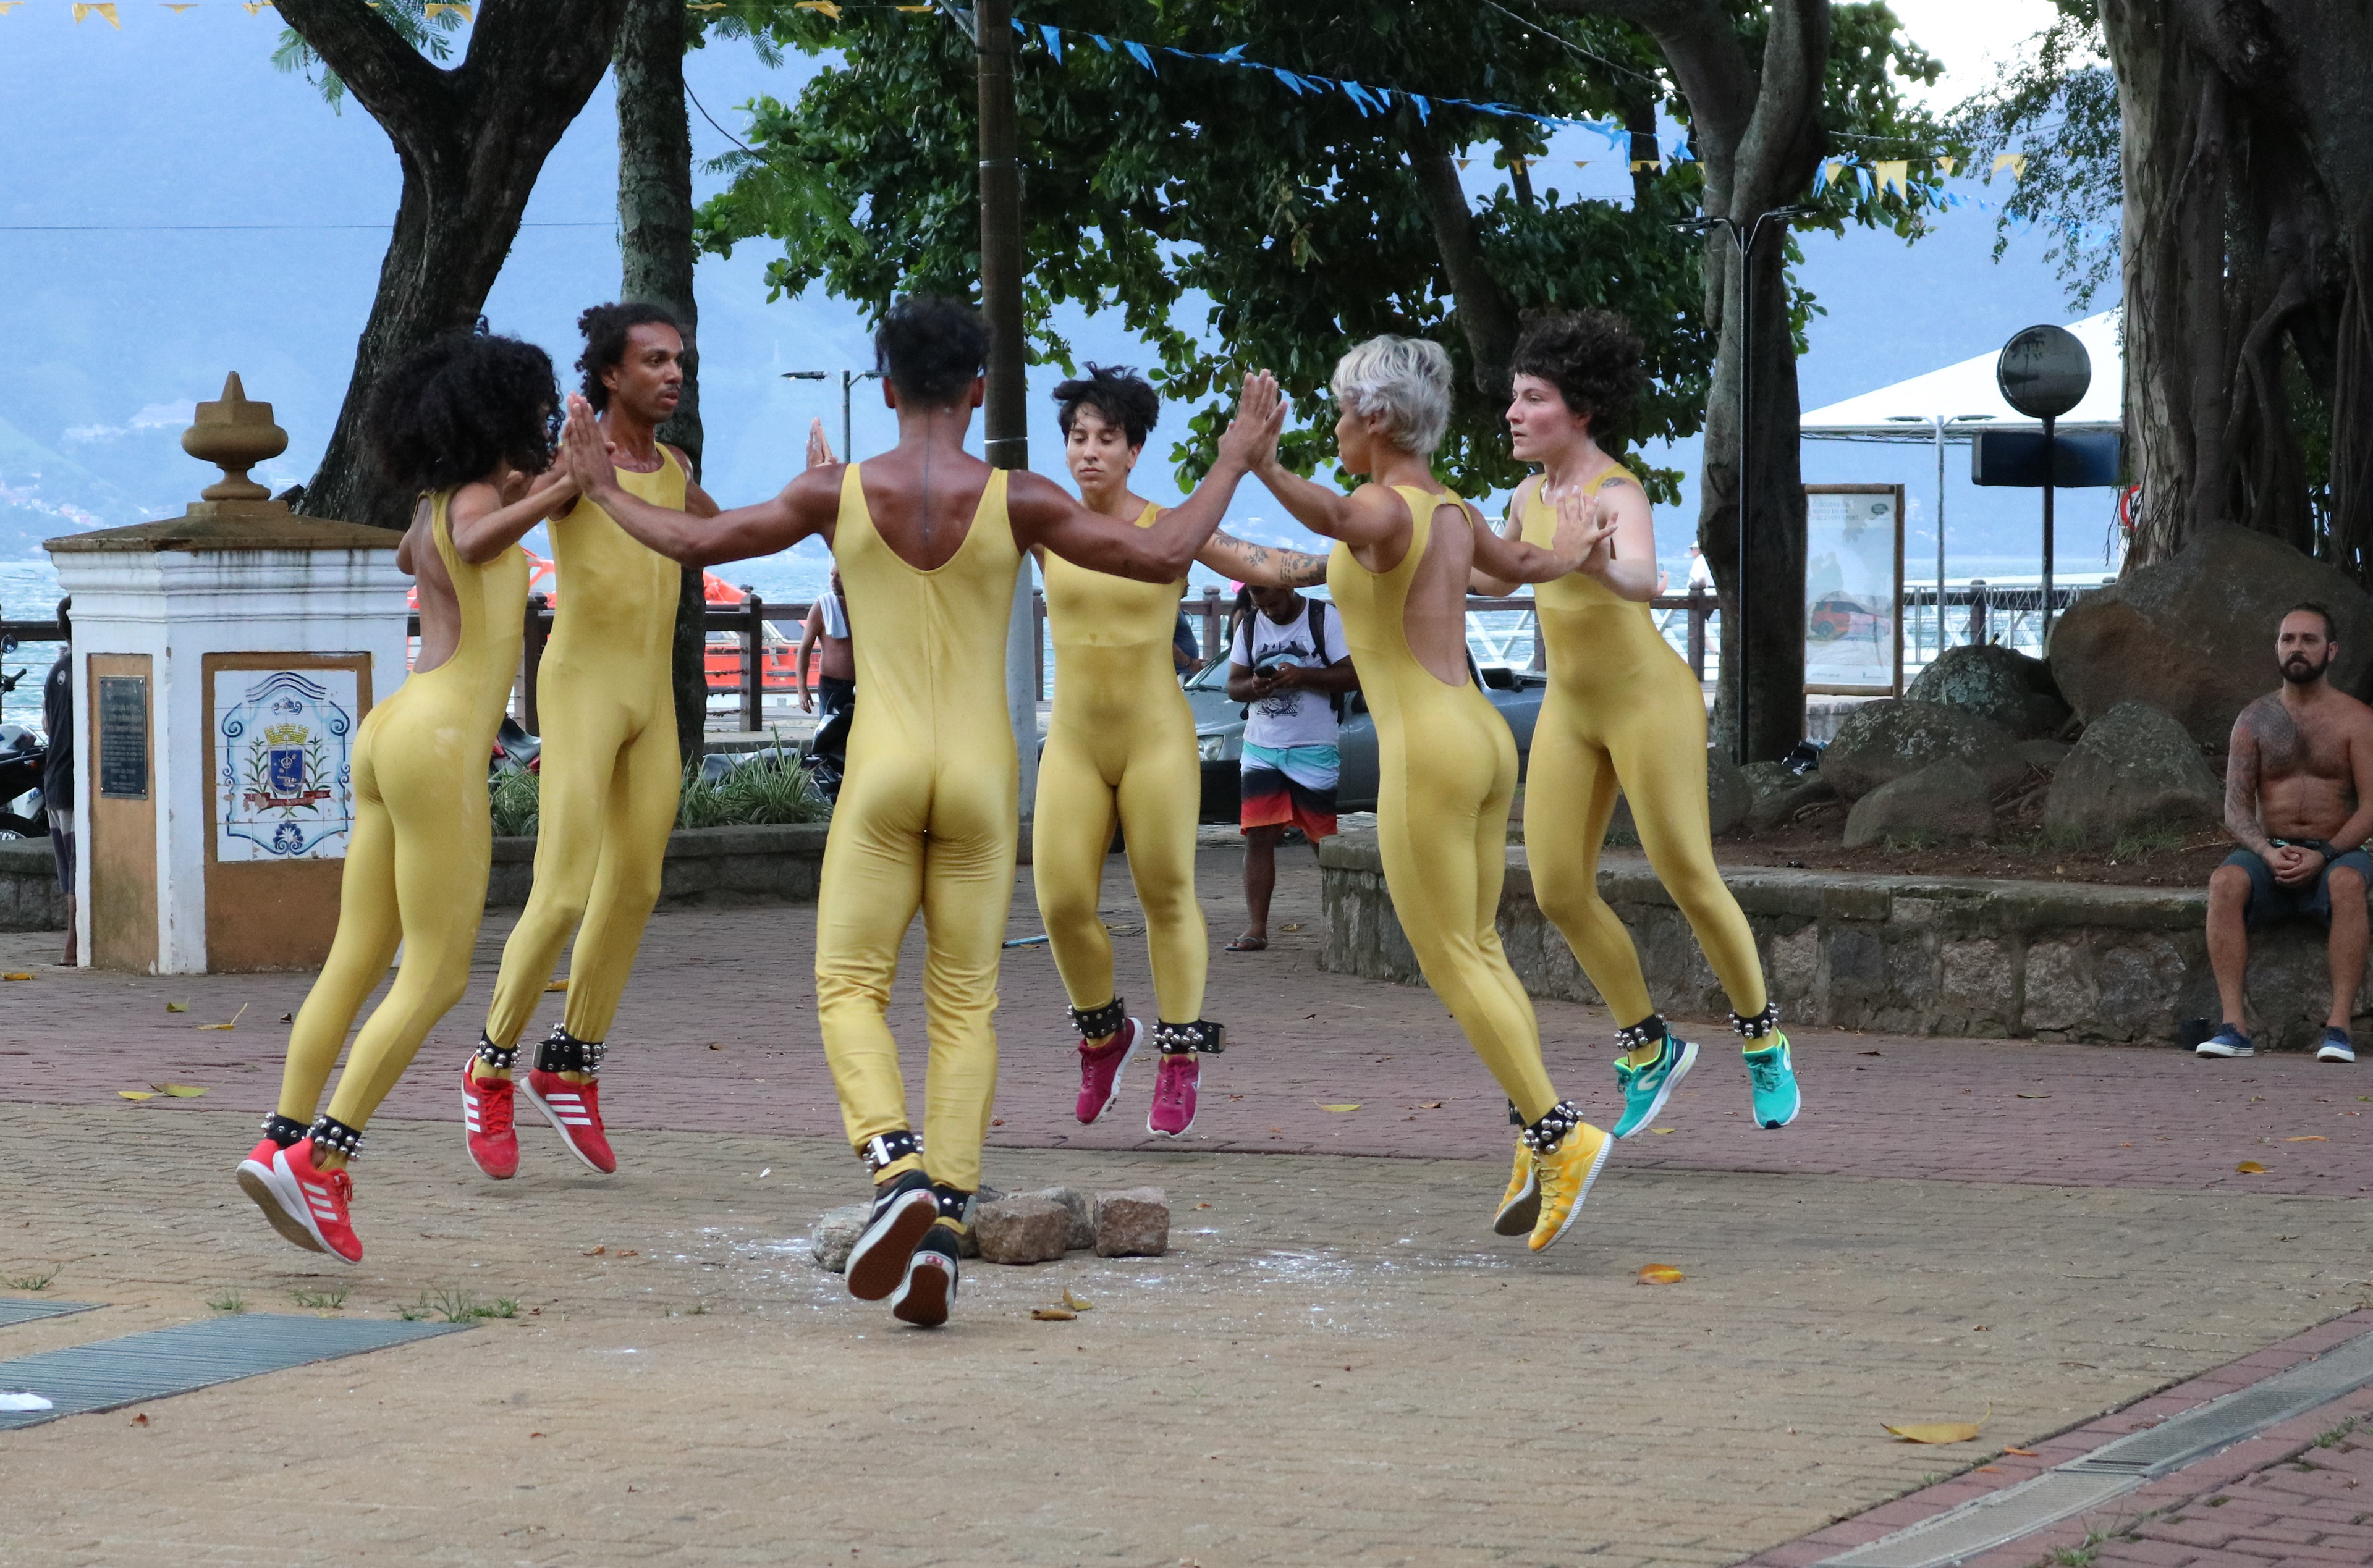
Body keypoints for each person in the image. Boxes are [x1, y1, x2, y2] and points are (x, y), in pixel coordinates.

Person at [554, 296, 1279, 1326]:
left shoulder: (837, 489)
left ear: (887, 390)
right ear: (979, 393)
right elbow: (1165, 558)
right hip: (986, 779)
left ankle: (895, 1169)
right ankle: (941, 1228)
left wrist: (598, 490)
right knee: (964, 1001)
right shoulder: (1021, 495)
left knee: (850, 982)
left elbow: (695, 540)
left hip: (884, 771)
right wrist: (1236, 457)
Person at [1247, 334, 1611, 1253]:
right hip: (1485, 738)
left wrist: (1261, 464)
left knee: (1451, 955)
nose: (1333, 427)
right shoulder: (1447, 506)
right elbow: (1519, 570)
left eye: (1338, 412)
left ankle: (1561, 1133)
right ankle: (1539, 1136)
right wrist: (1568, 546)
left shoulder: (1376, 504)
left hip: (1430, 751)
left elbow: (1332, 514)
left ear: (1374, 419)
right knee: (1481, 945)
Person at [237, 328, 572, 1263]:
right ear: (500, 417)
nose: (547, 427)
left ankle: (277, 1140)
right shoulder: (468, 505)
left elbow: (423, 555)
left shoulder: (431, 502)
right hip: (438, 741)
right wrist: (561, 485)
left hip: (391, 729)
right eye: (537, 414)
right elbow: (479, 534)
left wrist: (525, 486)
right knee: (435, 973)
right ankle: (323, 1160)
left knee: (358, 954)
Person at [1471, 310, 1801, 1138]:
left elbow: (1647, 578)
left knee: (1687, 869)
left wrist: (1592, 558)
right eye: (1513, 397)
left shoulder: (1615, 490)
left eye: (1532, 398)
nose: (1512, 412)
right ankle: (1648, 1047)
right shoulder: (1524, 494)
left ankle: (1763, 1039)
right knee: (1555, 886)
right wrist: (1434, 538)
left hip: (1648, 701)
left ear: (1578, 411)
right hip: (1572, 710)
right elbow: (1506, 582)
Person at [1034, 364, 1332, 1139]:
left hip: (1154, 740)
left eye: (1106, 439)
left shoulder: (1173, 524)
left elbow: (1270, 566)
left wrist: (1365, 557)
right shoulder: (1044, 524)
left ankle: (1178, 1056)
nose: (1089, 452)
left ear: (1134, 450)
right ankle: (1103, 1036)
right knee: (1061, 900)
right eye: (1077, 438)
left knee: (1165, 890)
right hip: (1072, 741)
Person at [460, 303, 721, 1184]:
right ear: (611, 375)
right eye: (654, 360)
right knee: (564, 889)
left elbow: (716, 533)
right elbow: (484, 529)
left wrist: (821, 497)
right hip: (581, 688)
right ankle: (491, 1065)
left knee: (639, 882)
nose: (673, 373)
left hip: (652, 700)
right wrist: (552, 483)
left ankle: (570, 1063)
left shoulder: (675, 465)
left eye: (678, 360)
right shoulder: (576, 459)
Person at [2202, 604, 2373, 1061]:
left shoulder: (2357, 719)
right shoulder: (2254, 719)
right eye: (2288, 639)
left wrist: (2327, 853)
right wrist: (2265, 850)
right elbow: (2236, 810)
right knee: (2224, 882)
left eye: (2309, 640)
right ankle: (2233, 1027)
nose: (2296, 648)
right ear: (2277, 648)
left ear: (2331, 651)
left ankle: (2337, 1029)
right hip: (2270, 850)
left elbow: (2372, 806)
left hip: (2336, 852)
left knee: (2350, 882)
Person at [1225, 581, 1358, 952]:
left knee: (1321, 838)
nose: (1268, 611)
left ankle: (1346, 926)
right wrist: (1254, 685)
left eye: (1274, 603)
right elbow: (1233, 685)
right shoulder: (1249, 625)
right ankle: (1256, 928)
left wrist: (1302, 677)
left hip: (1313, 746)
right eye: (1260, 604)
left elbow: (1353, 676)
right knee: (1259, 835)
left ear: (1290, 588)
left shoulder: (1323, 617)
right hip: (1261, 746)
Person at [797, 567, 856, 796]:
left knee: (857, 739)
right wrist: (802, 689)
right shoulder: (823, 606)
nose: (834, 580)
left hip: (862, 685)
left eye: (840, 575)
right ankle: (828, 789)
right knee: (828, 740)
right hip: (831, 685)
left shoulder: (865, 604)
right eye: (832, 575)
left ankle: (852, 789)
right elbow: (805, 648)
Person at [40, 598, 73, 968]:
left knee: (67, 865)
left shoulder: (56, 670)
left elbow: (47, 725)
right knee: (77, 864)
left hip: (54, 778)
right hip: (74, 783)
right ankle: (73, 944)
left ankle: (72, 945)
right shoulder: (81, 669)